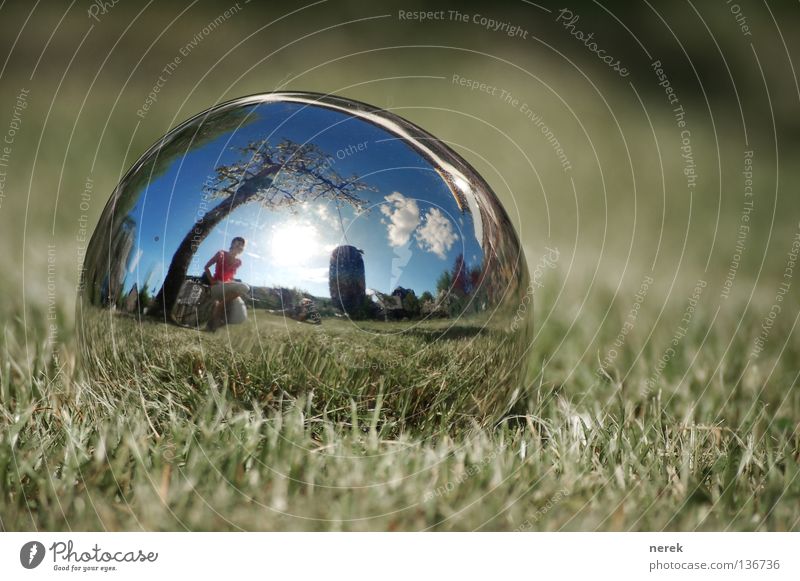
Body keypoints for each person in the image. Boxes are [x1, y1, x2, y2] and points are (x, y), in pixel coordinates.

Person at [203, 236, 250, 332]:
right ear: (232, 244)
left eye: (242, 245)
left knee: (241, 316)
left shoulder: (238, 262)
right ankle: (219, 306)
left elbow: (230, 277)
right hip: (216, 286)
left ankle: (211, 325)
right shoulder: (221, 254)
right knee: (245, 287)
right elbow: (206, 267)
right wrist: (211, 281)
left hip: (226, 286)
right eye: (238, 243)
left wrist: (234, 284)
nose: (240, 245)